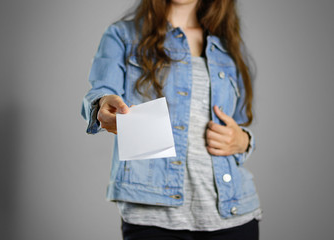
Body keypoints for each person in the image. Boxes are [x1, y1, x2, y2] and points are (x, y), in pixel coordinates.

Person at [81, 0, 262, 239]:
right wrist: (102, 105)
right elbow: (100, 91)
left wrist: (244, 141)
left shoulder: (226, 48)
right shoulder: (122, 35)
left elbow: (235, 125)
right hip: (152, 215)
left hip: (233, 212)